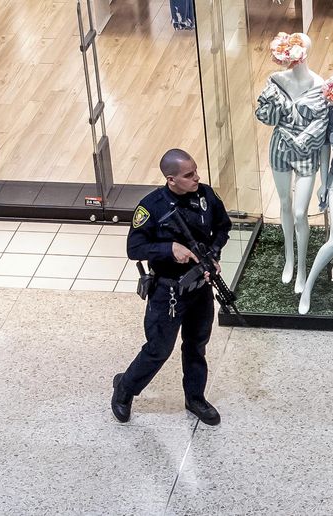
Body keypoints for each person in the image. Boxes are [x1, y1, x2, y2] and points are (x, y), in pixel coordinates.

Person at [111, 149, 231, 426]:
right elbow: (134, 247)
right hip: (168, 291)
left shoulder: (205, 196)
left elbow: (223, 227)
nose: (196, 178)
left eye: (196, 171)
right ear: (171, 179)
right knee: (158, 349)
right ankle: (125, 389)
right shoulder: (151, 207)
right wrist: (169, 248)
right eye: (189, 175)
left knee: (196, 345)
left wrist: (212, 255)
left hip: (199, 287)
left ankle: (195, 397)